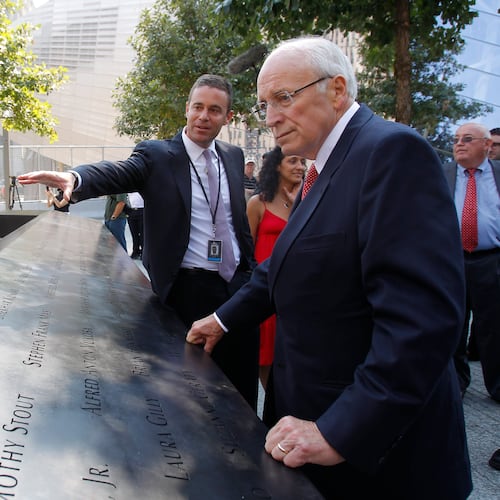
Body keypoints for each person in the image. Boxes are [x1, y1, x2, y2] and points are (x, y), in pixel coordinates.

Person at [186, 37, 471, 499]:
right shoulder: (323, 166)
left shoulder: (392, 153)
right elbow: (283, 265)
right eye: (264, 105)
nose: (272, 117)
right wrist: (223, 320)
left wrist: (340, 431)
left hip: (376, 459)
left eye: (284, 98)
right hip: (309, 426)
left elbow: (422, 323)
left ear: (337, 90)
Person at [18, 74, 259, 410]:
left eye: (215, 110)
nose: (204, 116)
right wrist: (75, 177)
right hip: (186, 292)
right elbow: (117, 172)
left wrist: (250, 270)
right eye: (198, 107)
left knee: (242, 393)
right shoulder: (157, 155)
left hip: (237, 288)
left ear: (227, 117)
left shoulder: (232, 156)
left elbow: (236, 220)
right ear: (187, 109)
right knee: (189, 399)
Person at [443, 123, 500, 402]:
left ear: (487, 146)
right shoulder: (444, 174)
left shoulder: (497, 176)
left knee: (493, 325)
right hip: (452, 258)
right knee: (454, 323)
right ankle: (457, 382)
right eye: (456, 140)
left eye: (467, 139)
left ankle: (497, 385)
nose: (459, 144)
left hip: (492, 259)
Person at [246, 146, 305, 390]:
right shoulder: (258, 203)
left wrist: (298, 209)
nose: (300, 166)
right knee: (265, 361)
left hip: (297, 294)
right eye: (293, 161)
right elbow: (246, 251)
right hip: (266, 292)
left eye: (303, 161)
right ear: (276, 166)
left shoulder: (308, 203)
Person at [126, 191, 144, 259]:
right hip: (132, 211)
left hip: (141, 210)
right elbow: (126, 199)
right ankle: (135, 251)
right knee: (134, 234)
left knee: (142, 234)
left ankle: (143, 252)